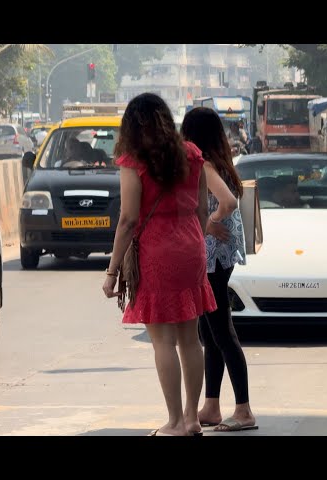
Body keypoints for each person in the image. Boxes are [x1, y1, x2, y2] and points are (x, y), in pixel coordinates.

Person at [102, 93, 217, 437]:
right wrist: (195, 244)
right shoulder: (192, 154)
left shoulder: (134, 161)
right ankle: (192, 418)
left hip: (157, 250)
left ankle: (174, 422)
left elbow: (127, 220)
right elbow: (200, 208)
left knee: (163, 342)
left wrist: (112, 273)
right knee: (190, 339)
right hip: (191, 245)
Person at [180, 107, 258, 433]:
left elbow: (226, 203)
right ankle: (211, 406)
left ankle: (244, 410)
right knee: (210, 334)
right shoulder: (221, 162)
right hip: (219, 256)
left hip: (213, 256)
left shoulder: (206, 166)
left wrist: (208, 225)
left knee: (222, 332)